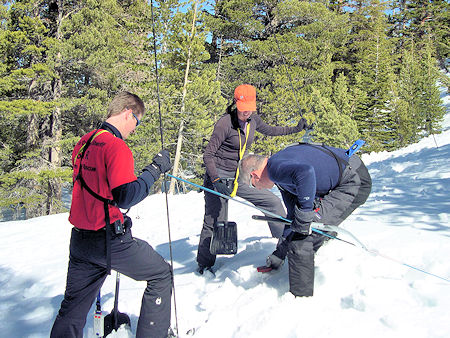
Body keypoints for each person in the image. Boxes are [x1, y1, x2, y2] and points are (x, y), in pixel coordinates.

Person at [51, 92, 173, 338]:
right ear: (128, 113)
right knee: (161, 274)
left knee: (72, 309)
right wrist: (154, 169)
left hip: (81, 241)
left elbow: (99, 187)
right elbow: (127, 196)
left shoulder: (84, 141)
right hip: (110, 242)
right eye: (136, 122)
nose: (135, 129)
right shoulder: (116, 147)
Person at [197, 84, 311, 273]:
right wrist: (216, 180)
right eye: (243, 108)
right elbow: (208, 155)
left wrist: (296, 128)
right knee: (215, 219)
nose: (246, 112)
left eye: (250, 107)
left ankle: (283, 244)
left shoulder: (253, 120)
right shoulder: (225, 123)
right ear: (236, 104)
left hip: (238, 175)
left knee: (271, 201)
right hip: (218, 176)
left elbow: (271, 130)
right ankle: (204, 264)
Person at [239, 142, 372, 296]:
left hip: (353, 180)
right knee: (302, 225)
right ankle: (323, 240)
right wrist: (279, 253)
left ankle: (301, 299)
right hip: (350, 172)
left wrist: (306, 213)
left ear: (254, 175)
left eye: (253, 185)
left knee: (304, 237)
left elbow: (305, 172)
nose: (258, 189)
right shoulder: (280, 172)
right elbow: (292, 218)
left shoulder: (275, 169)